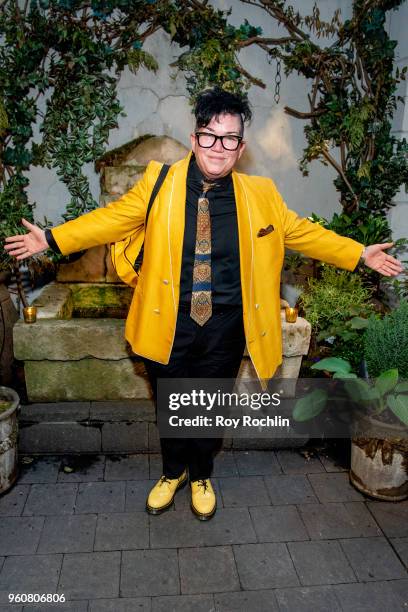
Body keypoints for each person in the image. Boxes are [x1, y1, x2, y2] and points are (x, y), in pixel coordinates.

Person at [4, 87, 403, 521]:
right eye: (210, 136)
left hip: (226, 325)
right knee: (170, 403)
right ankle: (172, 472)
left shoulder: (261, 194)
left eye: (229, 138)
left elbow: (303, 232)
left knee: (208, 404)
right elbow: (108, 219)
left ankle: (200, 475)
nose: (219, 147)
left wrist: (358, 252)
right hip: (167, 322)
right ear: (194, 139)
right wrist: (50, 238)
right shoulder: (158, 182)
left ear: (240, 147)